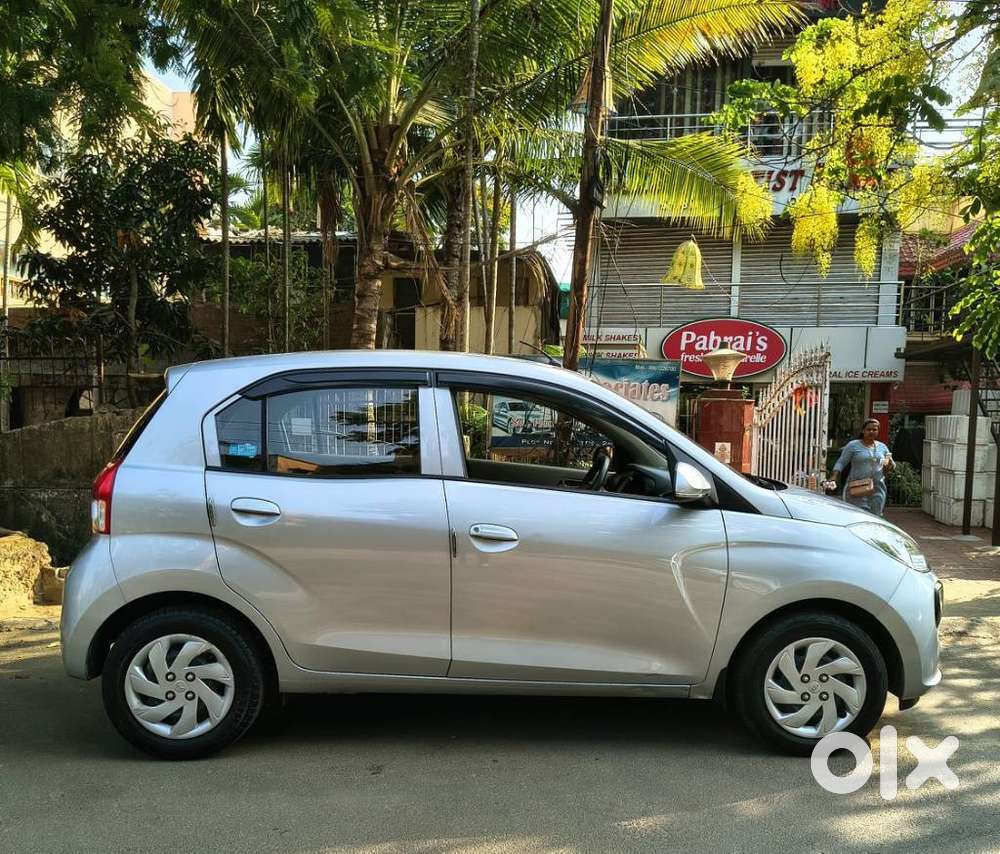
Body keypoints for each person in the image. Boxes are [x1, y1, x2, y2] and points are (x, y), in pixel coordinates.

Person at [828, 418, 894, 515]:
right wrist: (834, 476)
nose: (871, 431)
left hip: (877, 489)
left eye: (874, 430)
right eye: (868, 429)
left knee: (876, 517)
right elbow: (841, 462)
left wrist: (889, 466)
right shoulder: (853, 445)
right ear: (863, 431)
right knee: (856, 515)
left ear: (878, 431)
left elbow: (890, 465)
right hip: (857, 487)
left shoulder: (882, 447)